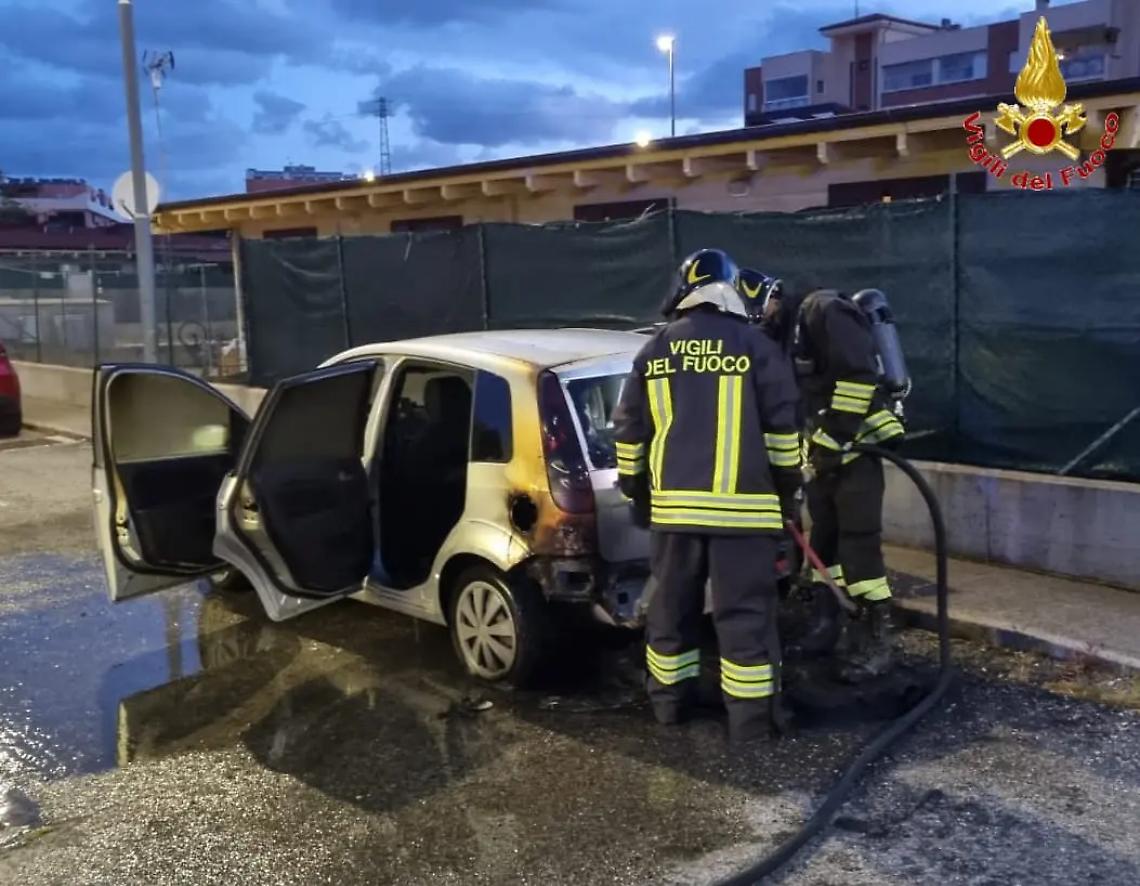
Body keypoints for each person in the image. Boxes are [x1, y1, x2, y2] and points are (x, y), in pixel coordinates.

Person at [613, 248, 802, 742]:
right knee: (744, 618)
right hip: (746, 517)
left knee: (670, 613)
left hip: (673, 515)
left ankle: (669, 708)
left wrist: (638, 493)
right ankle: (750, 726)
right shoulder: (757, 347)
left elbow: (630, 434)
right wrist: (788, 495)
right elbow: (784, 435)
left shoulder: (654, 351)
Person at [760, 285, 906, 682]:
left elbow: (858, 378)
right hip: (824, 456)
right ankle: (826, 625)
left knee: (859, 545)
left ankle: (876, 641)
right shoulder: (783, 333)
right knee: (824, 543)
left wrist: (834, 439)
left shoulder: (823, 312)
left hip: (857, 450)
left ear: (771, 297)